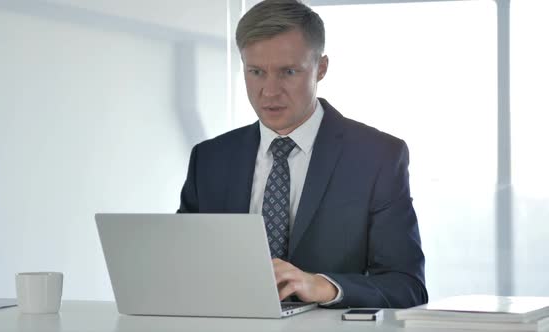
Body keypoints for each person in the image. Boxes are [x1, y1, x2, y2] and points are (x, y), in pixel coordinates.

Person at [178, 0, 427, 308]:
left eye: (288, 72)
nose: (269, 91)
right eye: (256, 72)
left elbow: (407, 287)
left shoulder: (377, 157)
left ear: (321, 68)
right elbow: (182, 268)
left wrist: (323, 286)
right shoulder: (210, 159)